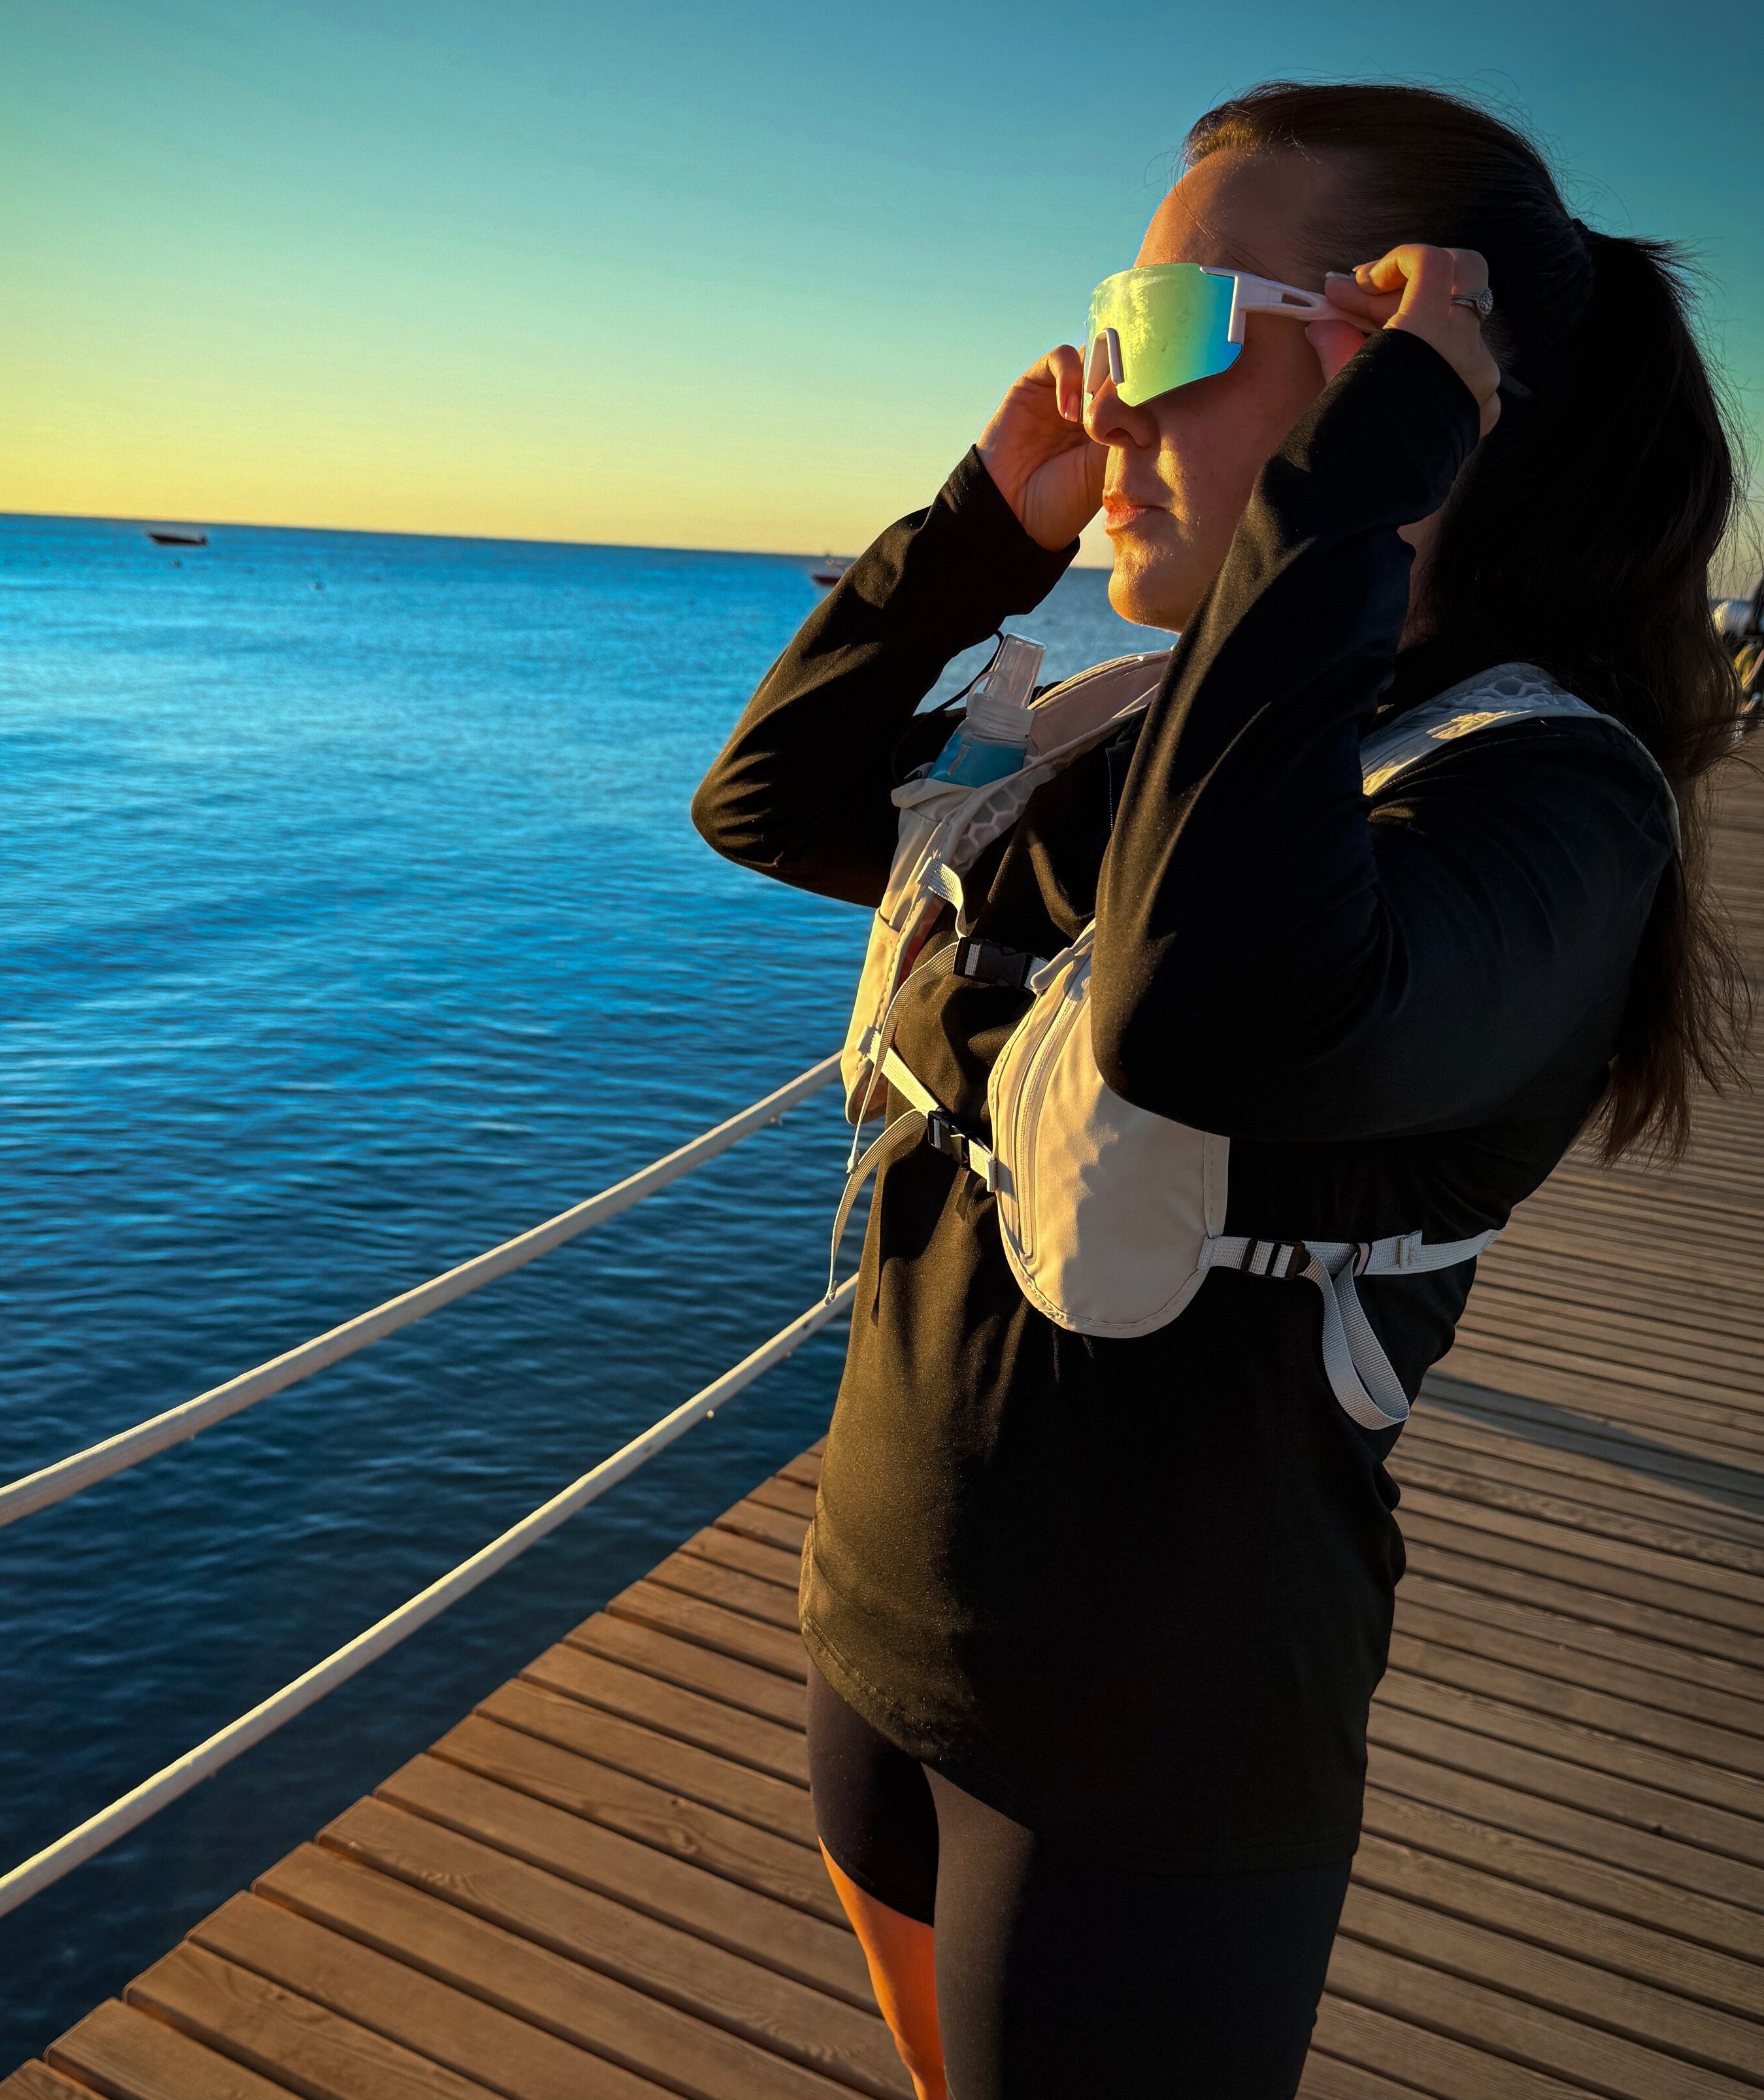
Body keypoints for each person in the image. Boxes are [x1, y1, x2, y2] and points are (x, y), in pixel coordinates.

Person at [691, 81, 1745, 2100]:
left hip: (1152, 1747)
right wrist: (972, 542)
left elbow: (1217, 1008)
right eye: (1106, 335)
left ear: (1405, 364)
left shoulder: (1543, 809)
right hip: (889, 1617)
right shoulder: (1130, 735)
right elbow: (773, 803)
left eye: (1170, 336)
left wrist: (1357, 490)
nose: (1108, 409)